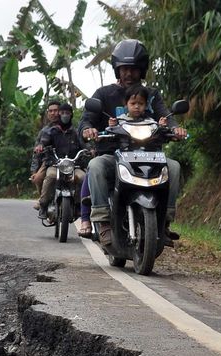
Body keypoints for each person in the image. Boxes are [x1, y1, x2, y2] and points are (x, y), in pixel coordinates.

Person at [79, 39, 187, 247]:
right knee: (95, 166)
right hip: (114, 155)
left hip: (150, 155)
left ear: (142, 70)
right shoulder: (103, 94)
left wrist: (175, 129)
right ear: (117, 70)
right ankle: (103, 223)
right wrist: (87, 130)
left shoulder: (152, 95)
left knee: (173, 167)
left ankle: (164, 221)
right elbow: (86, 119)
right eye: (124, 69)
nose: (129, 74)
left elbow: (167, 116)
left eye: (134, 69)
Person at [37, 103, 86, 219]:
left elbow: (84, 144)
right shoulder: (51, 131)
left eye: (67, 113)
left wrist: (90, 149)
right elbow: (44, 141)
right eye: (62, 113)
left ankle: (80, 205)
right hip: (55, 164)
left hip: (73, 165)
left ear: (71, 115)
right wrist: (40, 146)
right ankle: (43, 205)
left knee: (83, 178)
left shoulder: (76, 132)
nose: (65, 115)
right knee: (50, 177)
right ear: (59, 114)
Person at [30, 100, 60, 208]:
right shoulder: (44, 131)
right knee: (37, 178)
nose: (53, 113)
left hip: (67, 162)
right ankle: (43, 202)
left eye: (56, 110)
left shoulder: (69, 128)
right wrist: (34, 170)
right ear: (47, 113)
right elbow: (36, 152)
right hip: (48, 161)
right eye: (50, 111)